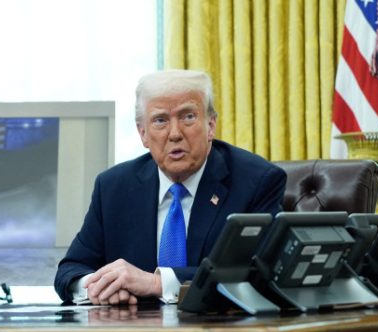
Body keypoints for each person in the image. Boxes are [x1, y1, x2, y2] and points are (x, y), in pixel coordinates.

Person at [54, 69, 286, 305]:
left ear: (210, 126)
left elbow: (261, 272)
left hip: (217, 325)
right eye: (160, 120)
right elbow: (71, 270)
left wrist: (158, 283)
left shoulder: (256, 181)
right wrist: (100, 287)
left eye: (188, 117)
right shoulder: (113, 187)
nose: (175, 134)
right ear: (143, 134)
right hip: (134, 327)